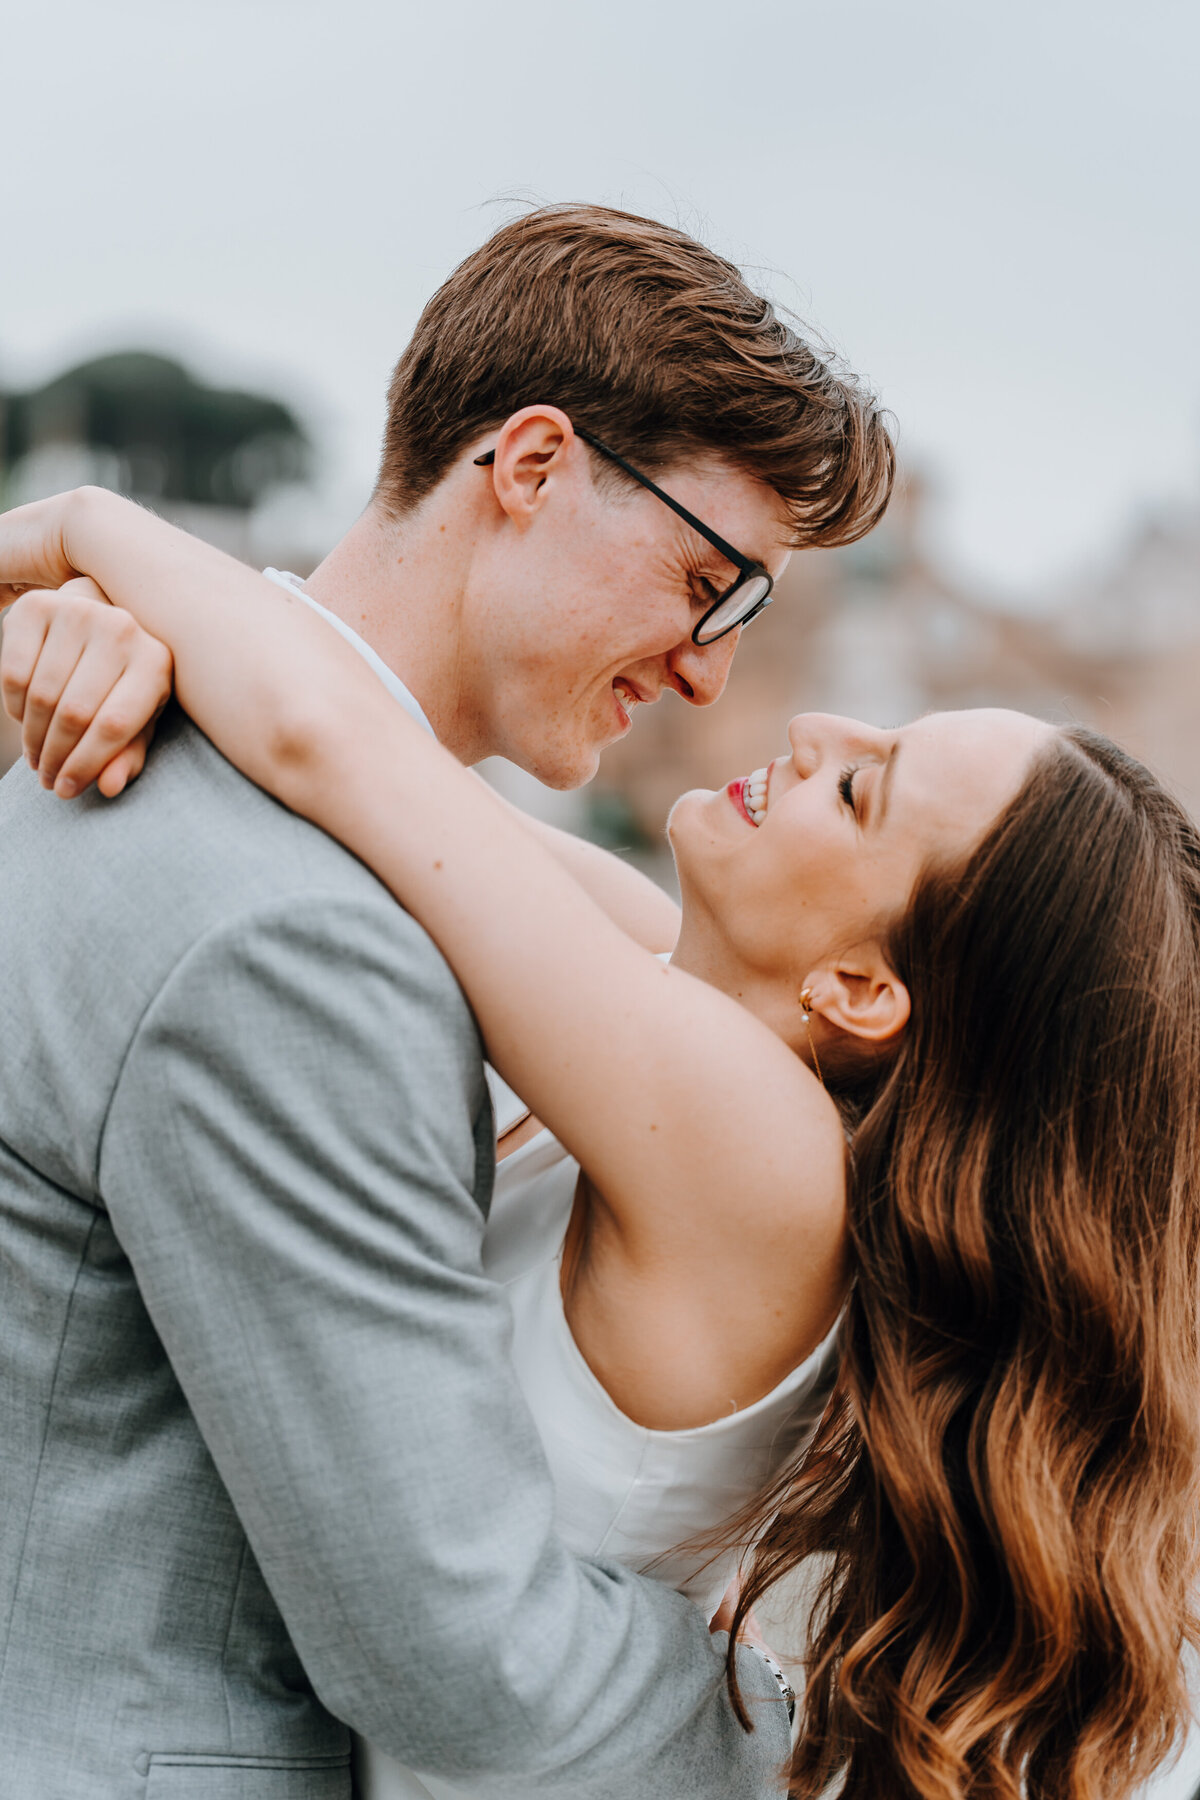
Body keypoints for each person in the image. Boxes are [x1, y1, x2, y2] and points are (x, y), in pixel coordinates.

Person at [4, 485, 1200, 1800]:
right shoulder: (666, 1000)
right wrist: (116, 639)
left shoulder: (758, 1148)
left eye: (862, 789)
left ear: (863, 989)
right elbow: (343, 736)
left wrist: (80, 533)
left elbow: (329, 740)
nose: (813, 730)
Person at [0, 206, 895, 1800]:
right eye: (710, 583)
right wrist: (842, 1749)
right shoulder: (295, 932)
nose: (711, 673)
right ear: (533, 465)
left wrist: (97, 550)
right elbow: (453, 1654)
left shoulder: (196, 762)